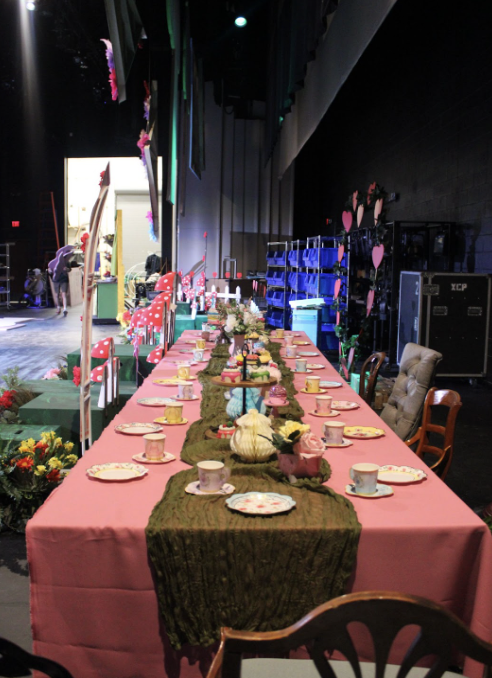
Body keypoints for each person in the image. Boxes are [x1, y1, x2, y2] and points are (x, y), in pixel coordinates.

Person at [48, 245, 75, 316]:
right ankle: (58, 307)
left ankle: (65, 308)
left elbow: (70, 269)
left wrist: (67, 269)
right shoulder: (52, 263)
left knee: (63, 294)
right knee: (56, 294)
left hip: (64, 279)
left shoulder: (66, 262)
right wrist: (50, 271)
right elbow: (50, 270)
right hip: (56, 280)